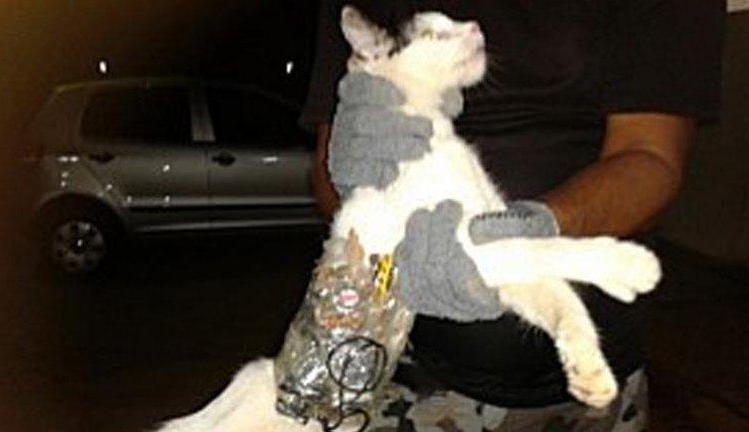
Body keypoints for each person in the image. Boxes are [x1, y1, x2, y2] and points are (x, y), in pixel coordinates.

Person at [299, 1, 725, 430]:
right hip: (404, 368)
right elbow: (330, 164)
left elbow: (651, 157)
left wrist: (535, 231)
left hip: (585, 380)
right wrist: (391, 245)